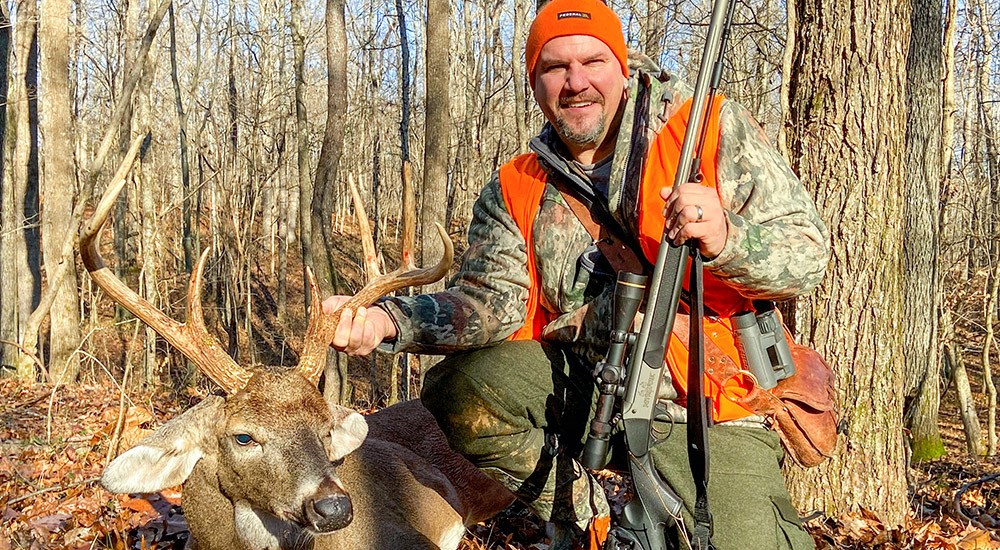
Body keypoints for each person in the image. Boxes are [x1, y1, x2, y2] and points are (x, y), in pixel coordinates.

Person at [323, 0, 828, 547]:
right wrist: (387, 321)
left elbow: (806, 256)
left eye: (593, 61)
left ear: (624, 65)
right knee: (461, 387)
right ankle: (584, 515)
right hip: (591, 383)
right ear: (534, 81)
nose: (576, 82)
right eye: (554, 66)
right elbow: (489, 303)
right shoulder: (516, 184)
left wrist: (729, 237)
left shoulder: (705, 128)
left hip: (708, 401)